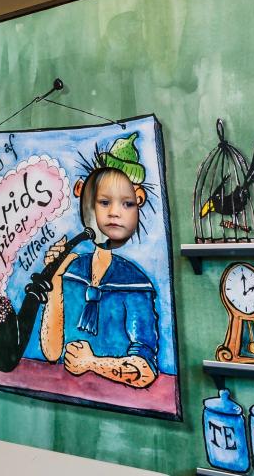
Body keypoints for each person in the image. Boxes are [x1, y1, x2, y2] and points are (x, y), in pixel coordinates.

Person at [39, 166, 159, 389]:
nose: (114, 213)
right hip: (67, 391)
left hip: (118, 399)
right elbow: (52, 352)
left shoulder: (135, 283)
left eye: (127, 204)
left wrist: (91, 363)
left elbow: (145, 369)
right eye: (104, 202)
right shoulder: (73, 270)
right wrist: (54, 278)